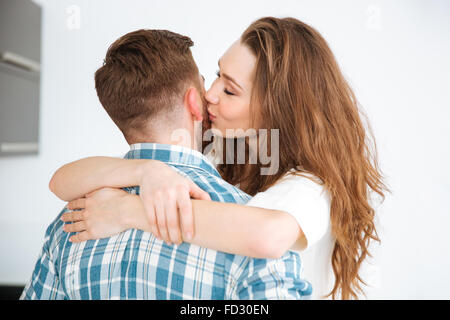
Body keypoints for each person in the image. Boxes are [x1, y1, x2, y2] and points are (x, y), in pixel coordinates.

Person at [48, 17, 387, 300]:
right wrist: (147, 170)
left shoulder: (309, 187)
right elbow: (62, 180)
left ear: (275, 109)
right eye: (217, 75)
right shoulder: (231, 153)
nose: (209, 94)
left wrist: (131, 211)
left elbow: (265, 236)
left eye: (229, 90)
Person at [20, 28, 312, 300]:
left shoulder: (75, 220)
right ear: (194, 104)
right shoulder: (247, 235)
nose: (212, 94)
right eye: (208, 81)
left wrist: (132, 205)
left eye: (229, 89)